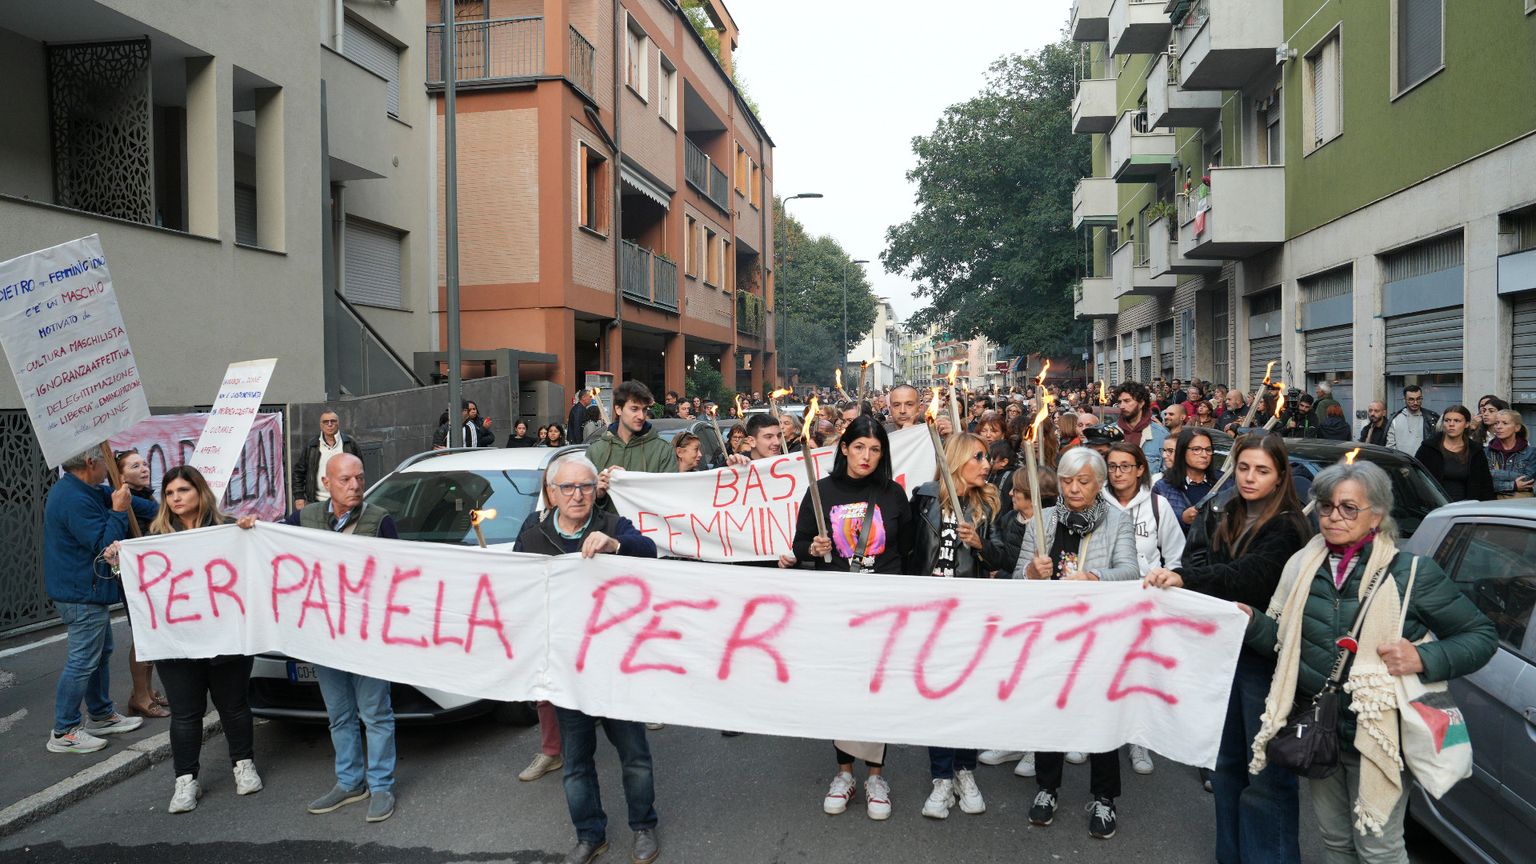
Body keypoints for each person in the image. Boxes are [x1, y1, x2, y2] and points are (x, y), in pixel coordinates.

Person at [1242, 460, 1495, 864]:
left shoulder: (1411, 573)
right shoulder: (1303, 566)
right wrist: (1252, 622)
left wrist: (1423, 656)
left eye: (1348, 508)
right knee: (1335, 842)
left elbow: (1481, 637)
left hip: (1381, 736)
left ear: (1376, 514)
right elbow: (1284, 642)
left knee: (1379, 849)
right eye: (1326, 507)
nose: (1333, 517)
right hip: (1321, 730)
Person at [1144, 434, 1313, 864]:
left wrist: (1187, 579)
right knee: (1226, 767)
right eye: (1243, 468)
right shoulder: (1228, 511)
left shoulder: (1290, 525)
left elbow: (1248, 577)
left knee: (1265, 777)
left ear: (1280, 478)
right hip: (1221, 656)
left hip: (1265, 662)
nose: (1250, 477)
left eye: (1262, 470)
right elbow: (1202, 558)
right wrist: (1180, 575)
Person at [514, 453, 661, 864]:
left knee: (634, 755)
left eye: (585, 486)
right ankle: (589, 834)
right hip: (566, 670)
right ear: (551, 493)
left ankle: (643, 826)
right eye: (568, 487)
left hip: (616, 666)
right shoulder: (533, 533)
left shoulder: (613, 526)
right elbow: (517, 587)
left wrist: (617, 546)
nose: (577, 495)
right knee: (577, 762)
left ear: (597, 489)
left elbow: (649, 552)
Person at [252, 454, 401, 822]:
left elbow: (398, 575)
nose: (354, 486)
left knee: (376, 714)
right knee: (339, 715)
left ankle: (381, 786)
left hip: (367, 637)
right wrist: (250, 528)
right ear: (327, 482)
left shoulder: (380, 521)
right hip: (324, 637)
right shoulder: (304, 519)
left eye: (360, 479)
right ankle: (350, 783)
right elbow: (270, 544)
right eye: (346, 479)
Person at [781, 416, 913, 821]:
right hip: (837, 608)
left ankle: (876, 776)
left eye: (875, 450)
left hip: (883, 608)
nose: (866, 457)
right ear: (844, 448)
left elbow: (906, 550)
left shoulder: (893, 495)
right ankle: (844, 774)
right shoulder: (820, 493)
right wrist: (813, 547)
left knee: (877, 691)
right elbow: (799, 545)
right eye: (859, 448)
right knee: (842, 691)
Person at [1014, 446, 1138, 838]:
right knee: (1051, 713)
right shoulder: (1043, 521)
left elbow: (1131, 572)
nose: (1073, 489)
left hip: (1100, 634)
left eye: (1083, 482)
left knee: (1099, 716)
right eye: (1066, 481)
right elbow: (1017, 579)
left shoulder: (1117, 521)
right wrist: (1034, 572)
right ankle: (1047, 788)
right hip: (1052, 633)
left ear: (1099, 483)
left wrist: (1095, 578)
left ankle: (1105, 798)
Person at [143, 466, 262, 813]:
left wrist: (250, 533)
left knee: (234, 706)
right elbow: (141, 592)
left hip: (227, 638)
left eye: (183, 490)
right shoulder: (155, 540)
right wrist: (122, 563)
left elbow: (253, 571)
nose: (176, 498)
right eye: (169, 493)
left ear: (200, 492)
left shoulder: (229, 529)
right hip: (177, 644)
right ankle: (185, 781)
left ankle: (243, 765)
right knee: (185, 714)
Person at [909, 432, 1004, 819]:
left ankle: (966, 771)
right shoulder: (925, 498)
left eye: (986, 458)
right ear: (958, 460)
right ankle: (941, 777)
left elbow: (1005, 556)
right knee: (936, 696)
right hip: (928, 614)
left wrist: (980, 544)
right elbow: (906, 550)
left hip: (970, 613)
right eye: (978, 457)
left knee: (968, 695)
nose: (987, 464)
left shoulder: (989, 505)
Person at [44, 448, 155, 754]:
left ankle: (102, 714)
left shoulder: (84, 489)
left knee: (99, 651)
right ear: (91, 463)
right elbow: (103, 544)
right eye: (106, 462)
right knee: (83, 659)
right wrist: (119, 512)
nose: (110, 469)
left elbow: (127, 500)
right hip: (80, 591)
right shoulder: (74, 499)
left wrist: (160, 508)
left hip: (85, 589)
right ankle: (64, 730)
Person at [1100, 441, 1185, 777]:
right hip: (1106, 598)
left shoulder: (1158, 505)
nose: (1118, 473)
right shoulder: (1096, 501)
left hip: (1144, 601)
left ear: (1139, 469)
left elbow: (1175, 555)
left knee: (1138, 671)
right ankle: (1093, 733)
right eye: (1112, 466)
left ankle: (1138, 738)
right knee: (1103, 667)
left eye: (1125, 466)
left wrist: (1169, 581)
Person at [113, 448, 168, 719]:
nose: (144, 468)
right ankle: (140, 697)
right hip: (135, 579)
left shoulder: (143, 496)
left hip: (152, 576)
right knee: (143, 637)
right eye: (134, 466)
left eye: (144, 463)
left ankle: (146, 691)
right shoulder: (127, 499)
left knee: (152, 634)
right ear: (120, 475)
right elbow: (159, 512)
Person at [590, 382, 676, 513]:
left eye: (645, 409)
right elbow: (582, 508)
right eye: (634, 409)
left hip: (648, 532)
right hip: (607, 532)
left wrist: (630, 484)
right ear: (618, 409)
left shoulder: (663, 450)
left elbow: (670, 502)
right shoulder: (595, 451)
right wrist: (598, 496)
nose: (641, 416)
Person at [1415, 405, 1495, 502]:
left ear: (1467, 424)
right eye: (1447, 420)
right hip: (1433, 506)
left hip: (1466, 508)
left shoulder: (1475, 451)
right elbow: (1416, 478)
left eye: (1457, 421)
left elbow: (1485, 485)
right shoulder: (1429, 448)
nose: (1451, 424)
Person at [1152, 427, 1219, 533]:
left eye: (1208, 450)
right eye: (1196, 449)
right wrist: (1182, 519)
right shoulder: (1163, 487)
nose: (1204, 455)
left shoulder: (1224, 482)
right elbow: (1155, 527)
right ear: (1182, 451)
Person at [292, 410, 360, 510]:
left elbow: (359, 471)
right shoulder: (312, 446)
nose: (329, 424)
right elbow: (298, 472)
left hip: (345, 501)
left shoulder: (350, 444)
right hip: (316, 503)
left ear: (338, 423)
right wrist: (299, 497)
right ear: (321, 425)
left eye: (333, 421)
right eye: (325, 422)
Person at [1113, 381, 1169, 468]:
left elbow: (1167, 474)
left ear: (1141, 403)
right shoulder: (1110, 432)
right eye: (1120, 402)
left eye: (1127, 401)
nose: (1122, 406)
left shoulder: (1161, 435)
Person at [1485, 408, 1536, 498]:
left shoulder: (1530, 452)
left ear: (1517, 427)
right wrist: (1513, 486)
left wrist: (1494, 473)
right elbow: (1483, 482)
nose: (1499, 427)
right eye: (1496, 423)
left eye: (1505, 423)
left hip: (1519, 505)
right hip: (1492, 503)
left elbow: (1527, 480)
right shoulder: (1486, 452)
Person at [1386, 385, 1439, 455]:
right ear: (1404, 400)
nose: (1415, 403)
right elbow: (1390, 447)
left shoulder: (1431, 418)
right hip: (1402, 463)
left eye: (1418, 399)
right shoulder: (1395, 419)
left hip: (1423, 464)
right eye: (1411, 399)